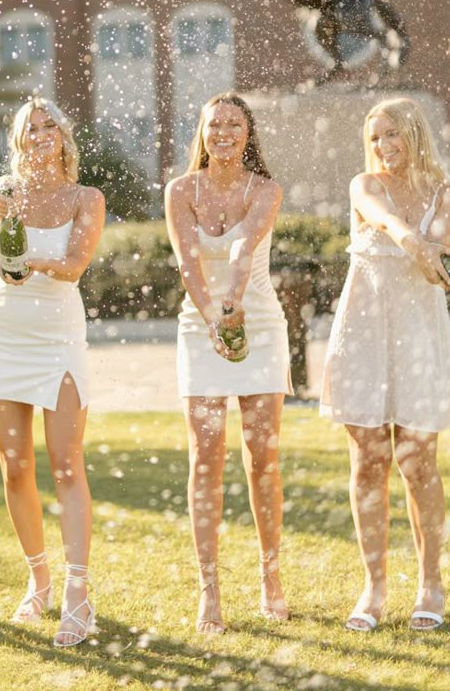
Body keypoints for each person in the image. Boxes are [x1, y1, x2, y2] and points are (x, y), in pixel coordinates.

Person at [320, 97, 450, 633]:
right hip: (362, 333)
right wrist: (412, 240)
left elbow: (439, 263)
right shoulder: (366, 185)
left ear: (415, 135)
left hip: (418, 338)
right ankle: (374, 586)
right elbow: (380, 219)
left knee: (419, 462)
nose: (383, 147)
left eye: (392, 135)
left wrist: (441, 264)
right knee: (367, 459)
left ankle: (430, 583)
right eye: (375, 137)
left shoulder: (447, 197)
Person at [165, 92, 293, 634]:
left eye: (233, 124)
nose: (222, 132)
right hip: (200, 328)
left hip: (258, 324)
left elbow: (242, 254)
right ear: (201, 133)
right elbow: (189, 265)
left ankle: (270, 575)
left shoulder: (265, 190)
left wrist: (233, 309)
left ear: (248, 134)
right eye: (213, 124)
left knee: (262, 455)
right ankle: (209, 589)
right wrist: (214, 318)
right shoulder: (179, 191)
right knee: (205, 460)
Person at [0, 97, 105, 648]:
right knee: (14, 467)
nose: (40, 133)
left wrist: (27, 262)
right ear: (17, 139)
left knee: (66, 466)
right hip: (3, 335)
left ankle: (78, 593)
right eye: (29, 127)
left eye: (49, 123)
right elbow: (0, 266)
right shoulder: (3, 193)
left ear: (63, 134)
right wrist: (15, 256)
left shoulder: (87, 198)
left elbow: (75, 265)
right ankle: (39, 579)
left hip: (57, 340)